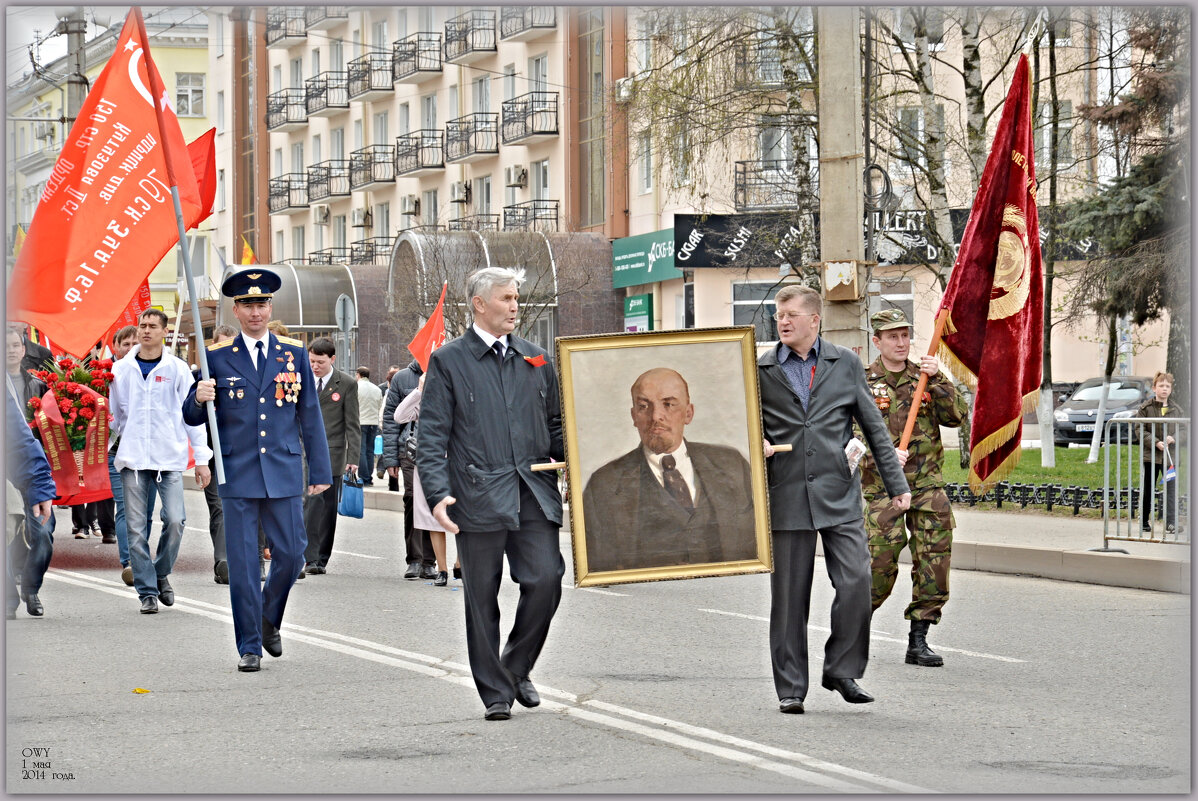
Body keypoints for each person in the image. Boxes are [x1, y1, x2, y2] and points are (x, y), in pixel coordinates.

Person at [417, 266, 565, 721]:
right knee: (481, 595)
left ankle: (516, 666)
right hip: (476, 496)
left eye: (517, 298)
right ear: (479, 304)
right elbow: (432, 435)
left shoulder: (537, 358)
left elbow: (559, 425)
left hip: (533, 491)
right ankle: (494, 692)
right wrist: (438, 494)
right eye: (506, 298)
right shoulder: (449, 361)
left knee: (546, 580)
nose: (515, 307)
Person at [758, 285, 910, 714]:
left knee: (857, 582)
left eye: (789, 314)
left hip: (839, 494)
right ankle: (790, 686)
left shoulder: (844, 363)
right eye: (778, 314)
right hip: (786, 495)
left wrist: (897, 485)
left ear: (814, 320)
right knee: (789, 599)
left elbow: (874, 429)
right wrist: (759, 442)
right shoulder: (762, 367)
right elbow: (743, 423)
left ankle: (841, 669)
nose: (782, 321)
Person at [184, 267, 331, 672]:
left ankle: (268, 618)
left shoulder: (293, 353)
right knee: (245, 562)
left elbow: (310, 415)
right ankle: (249, 644)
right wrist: (199, 396)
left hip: (283, 468)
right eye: (248, 304)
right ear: (236, 309)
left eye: (262, 303)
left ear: (270, 307)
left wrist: (320, 469)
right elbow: (191, 415)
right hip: (237, 470)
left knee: (292, 555)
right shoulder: (214, 357)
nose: (255, 312)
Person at [858, 308, 969, 667]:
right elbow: (847, 434)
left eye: (905, 335)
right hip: (881, 488)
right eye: (892, 336)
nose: (901, 342)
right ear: (877, 341)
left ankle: (919, 639)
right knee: (878, 564)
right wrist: (882, 457)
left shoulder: (925, 377)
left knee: (934, 563)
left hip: (926, 485)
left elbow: (957, 417)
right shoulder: (860, 381)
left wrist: (939, 381)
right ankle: (853, 633)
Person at [582, 367, 756, 572]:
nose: (656, 416)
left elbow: (752, 543)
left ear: (688, 413)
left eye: (669, 404)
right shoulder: (604, 485)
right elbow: (601, 567)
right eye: (644, 406)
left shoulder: (732, 465)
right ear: (633, 416)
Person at [110, 310, 213, 615]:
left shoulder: (179, 369)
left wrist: (203, 460)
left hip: (169, 458)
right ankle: (147, 591)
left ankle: (161, 571)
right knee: (136, 528)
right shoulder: (120, 370)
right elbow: (113, 418)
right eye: (142, 326)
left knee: (176, 520)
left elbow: (192, 419)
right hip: (132, 458)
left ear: (164, 332)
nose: (145, 331)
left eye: (152, 326)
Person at [394, 373, 459, 586]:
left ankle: (460, 562)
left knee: (465, 514)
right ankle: (441, 569)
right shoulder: (425, 399)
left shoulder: (463, 394)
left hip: (461, 462)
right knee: (433, 517)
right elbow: (399, 416)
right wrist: (419, 391)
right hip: (431, 464)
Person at [303, 337, 359, 575]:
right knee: (310, 504)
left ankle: (322, 557)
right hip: (304, 452)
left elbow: (352, 423)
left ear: (332, 359)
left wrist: (353, 458)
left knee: (326, 510)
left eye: (320, 362)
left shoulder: (345, 383)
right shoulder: (302, 380)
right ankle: (310, 557)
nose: (315, 366)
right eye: (312, 361)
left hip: (333, 454)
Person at [6, 372, 56, 619]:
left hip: (23, 471)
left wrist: (40, 483)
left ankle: (30, 589)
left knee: (43, 532)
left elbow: (17, 433)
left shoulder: (37, 384)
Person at [382, 359, 437, 580]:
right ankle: (414, 559)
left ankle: (430, 561)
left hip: (438, 450)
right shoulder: (402, 377)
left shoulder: (448, 370)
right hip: (410, 449)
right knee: (413, 500)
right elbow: (391, 418)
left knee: (433, 503)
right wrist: (390, 459)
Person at [104, 325, 147, 584]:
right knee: (125, 508)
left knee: (145, 511)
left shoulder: (146, 372)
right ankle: (130, 561)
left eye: (135, 343)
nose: (131, 348)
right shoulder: (107, 375)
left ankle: (141, 557)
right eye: (126, 344)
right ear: (116, 347)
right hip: (118, 452)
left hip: (147, 454)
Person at [204, 325, 238, 584]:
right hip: (212, 456)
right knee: (220, 509)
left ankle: (243, 558)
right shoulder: (203, 375)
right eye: (220, 345)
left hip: (240, 455)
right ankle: (223, 562)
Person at [1138, 371, 1184, 534]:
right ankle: (1144, 521)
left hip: (1169, 459)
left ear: (1171, 389)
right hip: (1150, 458)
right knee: (1148, 489)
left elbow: (1184, 429)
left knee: (1171, 490)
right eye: (1161, 386)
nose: (1164, 389)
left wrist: (1174, 438)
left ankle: (1170, 522)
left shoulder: (1177, 409)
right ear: (1154, 388)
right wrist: (1155, 442)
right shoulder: (1146, 408)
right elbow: (1140, 429)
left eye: (1167, 386)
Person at [356, 366, 383, 486]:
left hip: (361, 421)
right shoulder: (376, 389)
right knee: (370, 451)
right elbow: (379, 405)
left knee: (361, 451)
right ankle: (369, 476)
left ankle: (363, 477)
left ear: (358, 375)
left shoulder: (356, 387)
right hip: (373, 422)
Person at [376, 365, 401, 486]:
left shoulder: (389, 394)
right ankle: (392, 481)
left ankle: (384, 472)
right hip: (399, 430)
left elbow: (383, 412)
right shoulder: (394, 393)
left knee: (388, 452)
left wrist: (382, 425)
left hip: (389, 429)